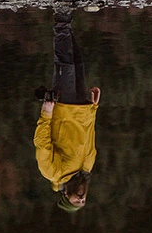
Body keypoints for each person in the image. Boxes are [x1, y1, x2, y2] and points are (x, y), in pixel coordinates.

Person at [33, 12, 101, 212]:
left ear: (65, 195)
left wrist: (46, 112)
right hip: (82, 107)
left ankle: (61, 14)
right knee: (77, 60)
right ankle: (67, 18)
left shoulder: (52, 173)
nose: (81, 198)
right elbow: (89, 134)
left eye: (76, 201)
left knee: (65, 61)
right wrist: (94, 108)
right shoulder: (87, 169)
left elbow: (41, 143)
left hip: (62, 107)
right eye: (83, 201)